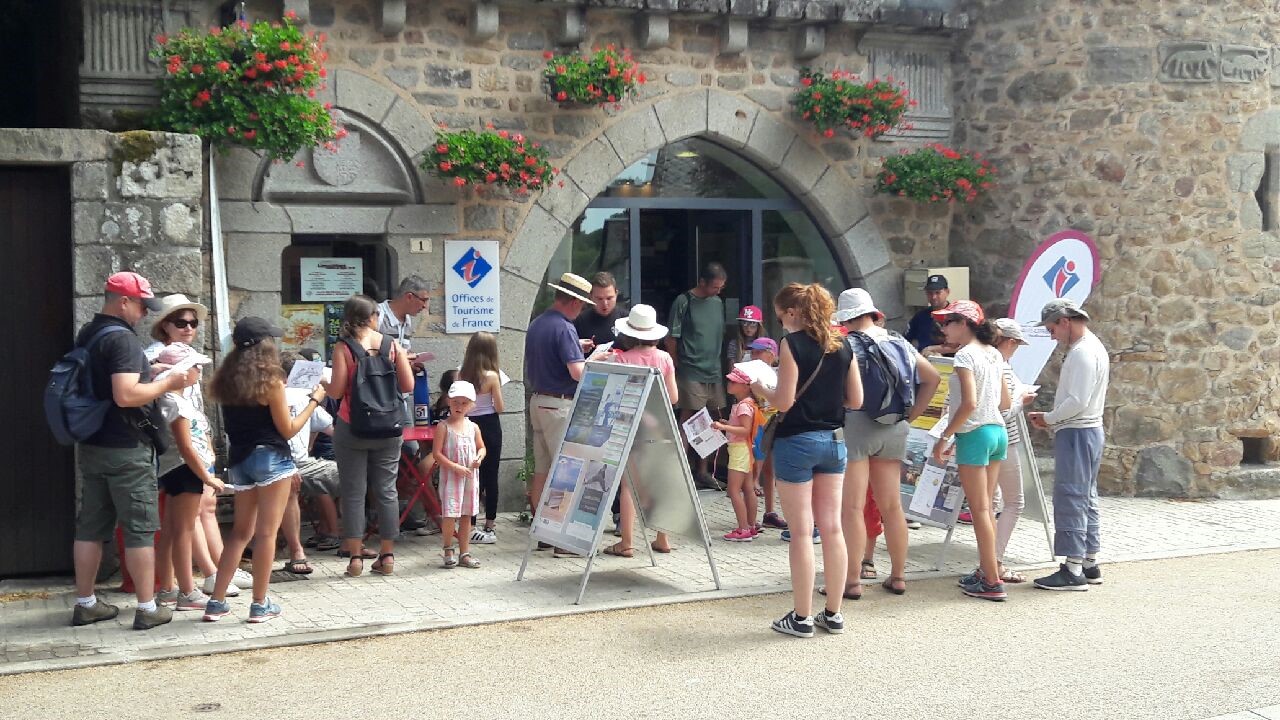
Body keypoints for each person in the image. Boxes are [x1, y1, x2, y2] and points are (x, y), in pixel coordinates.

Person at [70, 272, 199, 630]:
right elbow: (125, 394)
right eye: (142, 305)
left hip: (94, 444)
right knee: (141, 529)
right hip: (127, 447)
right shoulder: (123, 341)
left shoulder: (90, 333)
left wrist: (151, 369)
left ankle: (86, 603)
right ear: (123, 301)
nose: (144, 314)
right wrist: (169, 382)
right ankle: (146, 608)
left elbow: (110, 380)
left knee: (91, 527)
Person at [752, 283, 861, 638]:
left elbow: (783, 402)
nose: (780, 321)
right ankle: (834, 612)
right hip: (835, 440)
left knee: (801, 531)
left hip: (797, 441)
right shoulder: (842, 343)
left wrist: (759, 388)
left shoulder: (791, 344)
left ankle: (801, 617)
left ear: (793, 312)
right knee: (831, 527)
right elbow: (855, 399)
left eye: (781, 315)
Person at [203, 317, 326, 623]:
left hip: (240, 459)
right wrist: (314, 401)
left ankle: (216, 602)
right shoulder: (271, 382)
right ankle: (260, 604)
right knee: (267, 534)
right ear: (264, 346)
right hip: (271, 458)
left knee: (239, 533)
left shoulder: (226, 381)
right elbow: (288, 429)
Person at [827, 288, 940, 600]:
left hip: (857, 426)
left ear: (845, 317)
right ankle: (899, 576)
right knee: (892, 506)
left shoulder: (845, 344)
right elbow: (932, 378)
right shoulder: (898, 341)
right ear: (871, 312)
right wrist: (910, 416)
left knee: (852, 507)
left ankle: (851, 582)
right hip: (895, 426)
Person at [145, 293, 253, 598]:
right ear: (164, 325)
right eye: (181, 322)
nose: (189, 327)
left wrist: (206, 445)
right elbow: (172, 408)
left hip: (190, 441)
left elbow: (195, 407)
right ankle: (207, 575)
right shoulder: (159, 357)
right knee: (186, 518)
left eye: (193, 322)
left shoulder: (187, 357)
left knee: (196, 511)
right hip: (177, 447)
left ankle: (206, 573)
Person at [324, 295, 415, 578]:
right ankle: (387, 556)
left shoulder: (344, 348)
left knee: (354, 492)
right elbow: (407, 384)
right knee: (387, 490)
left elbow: (337, 392)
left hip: (352, 426)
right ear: (374, 316)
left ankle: (355, 558)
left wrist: (323, 383)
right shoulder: (391, 345)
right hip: (388, 427)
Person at [929, 301, 1011, 602]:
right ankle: (989, 571)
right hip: (997, 431)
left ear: (964, 323)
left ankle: (991, 581)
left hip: (974, 434)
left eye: (948, 322)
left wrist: (944, 437)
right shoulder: (993, 354)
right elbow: (1004, 401)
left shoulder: (965, 355)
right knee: (986, 508)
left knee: (979, 511)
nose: (943, 328)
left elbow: (969, 404)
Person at [1029, 298, 1110, 591]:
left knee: (1071, 496)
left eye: (1052, 329)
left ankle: (1073, 567)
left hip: (1078, 431)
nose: (1052, 336)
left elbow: (1077, 401)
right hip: (1087, 430)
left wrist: (1049, 418)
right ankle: (1088, 562)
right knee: (1086, 495)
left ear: (1064, 321)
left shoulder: (1082, 353)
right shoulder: (1091, 347)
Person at [598, 305, 680, 557]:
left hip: (630, 426)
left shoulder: (621, 359)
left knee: (629, 486)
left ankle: (627, 542)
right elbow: (674, 397)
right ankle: (663, 539)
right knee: (660, 482)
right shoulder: (665, 359)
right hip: (660, 425)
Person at [524, 273, 592, 558]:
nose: (582, 310)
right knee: (566, 471)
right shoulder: (565, 328)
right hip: (560, 405)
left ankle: (543, 532)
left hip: (538, 400)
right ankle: (562, 540)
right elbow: (577, 372)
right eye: (582, 304)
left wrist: (579, 349)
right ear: (574, 301)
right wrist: (595, 359)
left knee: (542, 470)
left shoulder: (538, 323)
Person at [153, 342, 223, 612]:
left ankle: (168, 589)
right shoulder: (174, 402)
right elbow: (185, 446)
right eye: (194, 366)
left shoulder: (174, 399)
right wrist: (207, 476)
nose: (198, 371)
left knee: (172, 531)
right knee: (183, 531)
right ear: (182, 371)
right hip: (185, 471)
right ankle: (186, 591)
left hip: (181, 469)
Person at [378, 275, 436, 533]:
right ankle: (383, 515)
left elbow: (403, 353)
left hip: (402, 395)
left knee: (411, 451)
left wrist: (411, 362)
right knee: (385, 454)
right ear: (409, 296)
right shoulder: (378, 316)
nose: (425, 307)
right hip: (381, 397)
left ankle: (410, 510)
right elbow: (372, 356)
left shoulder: (407, 321)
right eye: (423, 300)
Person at [666, 263, 728, 488]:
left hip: (713, 370)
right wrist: (676, 363)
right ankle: (679, 470)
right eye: (714, 287)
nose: (718, 291)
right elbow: (671, 337)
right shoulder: (684, 301)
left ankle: (703, 471)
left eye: (721, 287)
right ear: (702, 282)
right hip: (690, 369)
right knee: (688, 419)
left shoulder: (718, 302)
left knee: (709, 421)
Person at [278, 352, 340, 573]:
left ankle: (297, 549)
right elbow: (334, 431)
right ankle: (352, 542)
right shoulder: (301, 396)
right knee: (352, 478)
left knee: (296, 487)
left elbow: (324, 427)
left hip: (281, 463)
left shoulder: (276, 393)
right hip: (291, 464)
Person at [989, 319, 1036, 584]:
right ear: (1010, 341)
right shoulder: (1002, 367)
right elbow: (1005, 412)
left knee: (990, 503)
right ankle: (994, 561)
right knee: (1014, 502)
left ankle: (989, 560)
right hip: (1005, 438)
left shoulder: (984, 360)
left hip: (982, 439)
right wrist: (1022, 400)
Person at [433, 380, 486, 568]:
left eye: (464, 403)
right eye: (456, 402)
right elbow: (437, 453)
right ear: (449, 401)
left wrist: (479, 457)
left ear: (471, 405)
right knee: (450, 514)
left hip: (470, 478)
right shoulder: (443, 427)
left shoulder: (473, 427)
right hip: (451, 479)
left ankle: (465, 551)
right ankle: (448, 548)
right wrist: (454, 467)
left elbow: (481, 447)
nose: (459, 406)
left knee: (466, 515)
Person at [460, 332, 504, 544]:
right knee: (491, 475)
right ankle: (490, 524)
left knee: (472, 474)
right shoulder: (492, 376)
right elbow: (500, 407)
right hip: (489, 423)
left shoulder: (461, 374)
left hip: (469, 424)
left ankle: (471, 523)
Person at [746, 337, 787, 531]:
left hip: (776, 422)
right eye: (752, 351)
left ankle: (770, 512)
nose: (754, 355)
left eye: (758, 351)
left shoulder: (783, 372)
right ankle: (748, 518)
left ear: (771, 354)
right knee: (753, 470)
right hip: (757, 424)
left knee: (771, 469)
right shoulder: (748, 372)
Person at [715, 367, 760, 542]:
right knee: (748, 488)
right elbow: (742, 426)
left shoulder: (743, 406)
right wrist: (728, 423)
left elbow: (745, 430)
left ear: (745, 386)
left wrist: (724, 427)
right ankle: (751, 525)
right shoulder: (747, 404)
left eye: (734, 381)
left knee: (733, 490)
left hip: (740, 450)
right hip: (745, 449)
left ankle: (743, 528)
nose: (729, 384)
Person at [573, 271, 627, 354]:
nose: (605, 304)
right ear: (590, 296)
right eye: (599, 299)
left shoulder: (627, 319)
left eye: (609, 298)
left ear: (616, 294)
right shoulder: (579, 321)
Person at [905, 274, 955, 354]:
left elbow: (961, 345)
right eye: (930, 293)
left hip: (950, 363)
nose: (933, 297)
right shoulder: (920, 316)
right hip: (924, 361)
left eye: (938, 293)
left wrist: (932, 349)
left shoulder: (956, 316)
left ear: (947, 292)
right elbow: (906, 340)